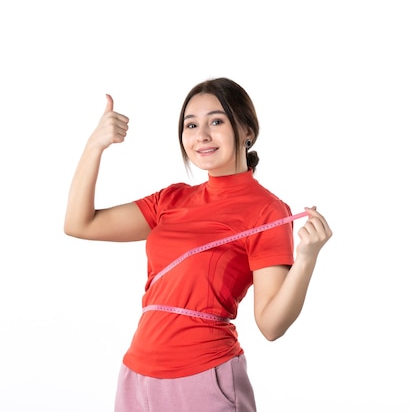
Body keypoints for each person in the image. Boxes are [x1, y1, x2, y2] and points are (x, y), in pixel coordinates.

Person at [63, 77, 332, 412]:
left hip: (204, 378)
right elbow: (79, 224)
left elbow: (271, 325)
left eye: (216, 121)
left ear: (247, 131)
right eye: (191, 125)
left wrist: (306, 260)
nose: (201, 135)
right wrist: (94, 146)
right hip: (136, 374)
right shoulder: (171, 199)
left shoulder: (266, 210)